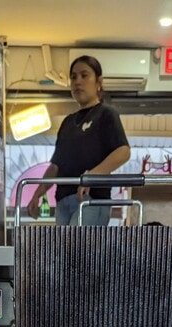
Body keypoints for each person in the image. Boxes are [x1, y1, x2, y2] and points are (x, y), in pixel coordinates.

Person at [26, 55, 131, 226]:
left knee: (78, 243)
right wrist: (38, 193)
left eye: (84, 75)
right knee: (65, 244)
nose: (78, 82)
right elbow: (56, 165)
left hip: (91, 197)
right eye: (73, 77)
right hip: (63, 199)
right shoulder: (68, 122)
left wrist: (92, 175)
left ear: (99, 82)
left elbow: (123, 151)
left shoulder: (106, 114)